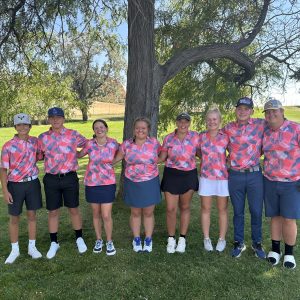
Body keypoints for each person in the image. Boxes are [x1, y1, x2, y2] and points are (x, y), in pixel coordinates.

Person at [38, 107, 87, 259]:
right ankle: (54, 242)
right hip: (51, 178)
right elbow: (38, 154)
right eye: (52, 118)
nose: (55, 120)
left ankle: (79, 238)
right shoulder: (43, 137)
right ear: (48, 120)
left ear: (63, 119)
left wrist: (79, 154)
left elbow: (87, 144)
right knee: (53, 211)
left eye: (58, 117)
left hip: (69, 177)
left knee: (73, 208)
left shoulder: (73, 134)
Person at [223, 97, 266, 259]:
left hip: (255, 175)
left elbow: (279, 125)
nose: (242, 111)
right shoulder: (228, 128)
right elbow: (218, 144)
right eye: (239, 108)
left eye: (246, 109)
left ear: (251, 111)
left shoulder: (261, 124)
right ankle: (238, 242)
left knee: (256, 210)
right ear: (236, 110)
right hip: (235, 175)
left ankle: (257, 243)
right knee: (238, 212)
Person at [114, 117, 161, 253]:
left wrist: (163, 160)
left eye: (143, 128)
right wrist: (103, 164)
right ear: (134, 130)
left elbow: (164, 153)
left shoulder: (154, 143)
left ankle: (148, 239)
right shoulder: (126, 144)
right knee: (135, 212)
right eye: (138, 128)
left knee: (148, 212)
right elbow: (117, 158)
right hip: (132, 181)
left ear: (148, 130)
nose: (140, 130)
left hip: (150, 181)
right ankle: (136, 239)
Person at [262, 99, 300, 269]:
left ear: (282, 111)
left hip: (292, 183)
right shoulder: (266, 132)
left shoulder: (296, 128)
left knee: (289, 218)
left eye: (274, 111)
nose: (271, 114)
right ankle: (275, 250)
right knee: (275, 216)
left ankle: (289, 253)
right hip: (270, 181)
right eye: (268, 112)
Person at [0, 113, 43, 264]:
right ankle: (15, 250)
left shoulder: (35, 142)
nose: (22, 127)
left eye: (25, 124)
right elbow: (3, 170)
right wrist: (5, 190)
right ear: (15, 127)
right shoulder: (8, 146)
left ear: (30, 126)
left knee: (32, 215)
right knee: (14, 218)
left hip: (32, 183)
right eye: (19, 125)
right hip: (15, 185)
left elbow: (41, 155)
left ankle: (32, 247)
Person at [160, 113, 199, 254]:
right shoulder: (168, 138)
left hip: (189, 174)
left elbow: (203, 153)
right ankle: (171, 239)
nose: (183, 124)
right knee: (170, 208)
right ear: (176, 122)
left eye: (186, 121)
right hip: (172, 174)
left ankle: (182, 238)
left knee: (185, 206)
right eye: (180, 121)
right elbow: (162, 157)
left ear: (189, 123)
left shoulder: (195, 137)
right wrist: (142, 158)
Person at [78, 119, 118, 256]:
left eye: (101, 127)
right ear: (94, 130)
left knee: (106, 215)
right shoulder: (90, 144)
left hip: (108, 183)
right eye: (96, 128)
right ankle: (99, 240)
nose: (99, 129)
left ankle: (109, 241)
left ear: (106, 128)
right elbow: (79, 155)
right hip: (92, 183)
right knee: (95, 214)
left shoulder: (113, 143)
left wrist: (115, 161)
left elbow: (125, 151)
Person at [198, 108, 229, 252]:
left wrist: (225, 162)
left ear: (219, 120)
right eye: (209, 119)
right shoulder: (201, 137)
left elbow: (234, 151)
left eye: (214, 119)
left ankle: (222, 239)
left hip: (222, 178)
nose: (212, 122)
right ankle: (206, 238)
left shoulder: (225, 136)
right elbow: (198, 152)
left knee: (222, 209)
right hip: (206, 177)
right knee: (205, 209)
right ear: (206, 121)